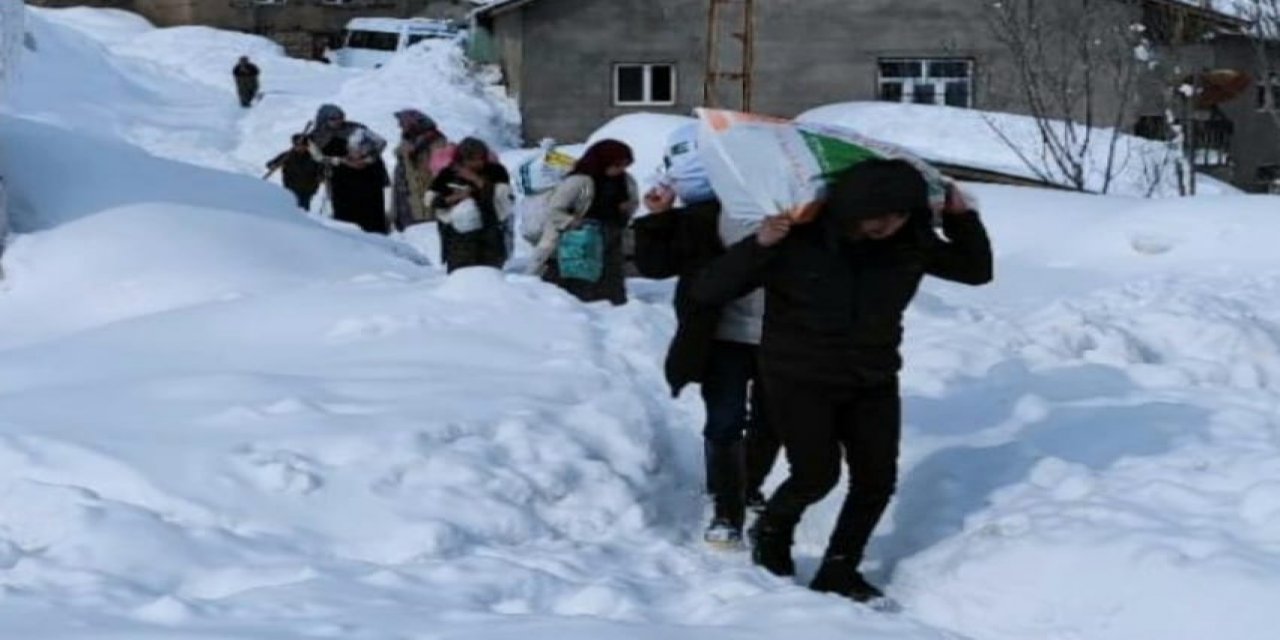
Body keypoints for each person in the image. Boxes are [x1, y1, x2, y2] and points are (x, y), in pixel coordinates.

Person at [692, 159, 993, 602]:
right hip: (797, 376)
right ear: (850, 209)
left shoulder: (911, 243)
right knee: (816, 475)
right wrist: (758, 245)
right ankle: (773, 528)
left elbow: (976, 271)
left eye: (900, 215)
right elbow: (709, 289)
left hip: (872, 376)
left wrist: (962, 218)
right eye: (879, 216)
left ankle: (839, 568)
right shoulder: (797, 238)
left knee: (876, 480)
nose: (889, 225)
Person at [632, 129, 781, 549]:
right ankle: (726, 510)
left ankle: (750, 484)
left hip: (780, 335)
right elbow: (656, 266)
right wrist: (658, 216)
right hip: (719, 337)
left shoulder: (783, 210)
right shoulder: (696, 217)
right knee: (725, 420)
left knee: (773, 421)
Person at [536, 140, 638, 305]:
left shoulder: (625, 181)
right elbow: (555, 209)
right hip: (580, 237)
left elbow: (632, 201)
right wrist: (572, 222)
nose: (620, 170)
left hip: (611, 234)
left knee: (610, 276)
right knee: (579, 277)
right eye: (617, 165)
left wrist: (626, 209)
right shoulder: (580, 181)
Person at [428, 137, 512, 272]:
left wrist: (476, 180)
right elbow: (433, 201)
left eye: (480, 159)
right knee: (461, 274)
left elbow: (503, 197)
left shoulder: (496, 171)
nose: (477, 163)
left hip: (489, 233)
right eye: (471, 159)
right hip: (458, 237)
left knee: (489, 273)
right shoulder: (448, 174)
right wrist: (457, 197)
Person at [307, 104, 391, 234]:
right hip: (341, 179)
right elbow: (317, 157)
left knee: (371, 211)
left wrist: (367, 159)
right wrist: (341, 161)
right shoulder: (315, 137)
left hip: (367, 175)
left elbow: (380, 143)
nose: (338, 121)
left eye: (341, 117)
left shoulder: (356, 128)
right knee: (346, 214)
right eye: (333, 119)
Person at [391, 109, 448, 232]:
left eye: (402, 122)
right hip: (407, 193)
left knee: (424, 230)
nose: (399, 126)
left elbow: (438, 170)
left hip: (423, 192)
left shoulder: (435, 141)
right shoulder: (408, 139)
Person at [266, 134, 324, 211]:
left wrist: (321, 176)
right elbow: (270, 164)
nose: (301, 148)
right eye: (298, 145)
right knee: (291, 208)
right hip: (291, 188)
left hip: (308, 189)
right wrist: (273, 165)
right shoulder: (287, 155)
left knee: (303, 209)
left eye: (304, 145)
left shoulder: (314, 157)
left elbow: (322, 169)